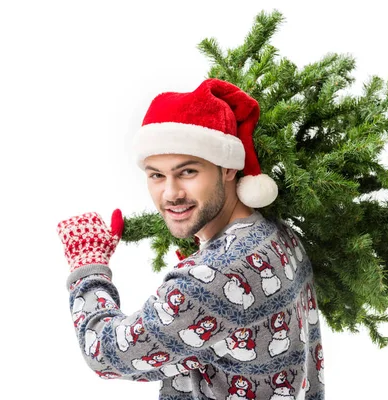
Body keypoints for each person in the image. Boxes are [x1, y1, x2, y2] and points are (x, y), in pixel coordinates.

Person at [57, 78, 325, 399]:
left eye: (187, 172)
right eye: (156, 174)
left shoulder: (212, 279)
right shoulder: (280, 235)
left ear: (227, 168)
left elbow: (103, 351)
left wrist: (88, 263)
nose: (170, 193)